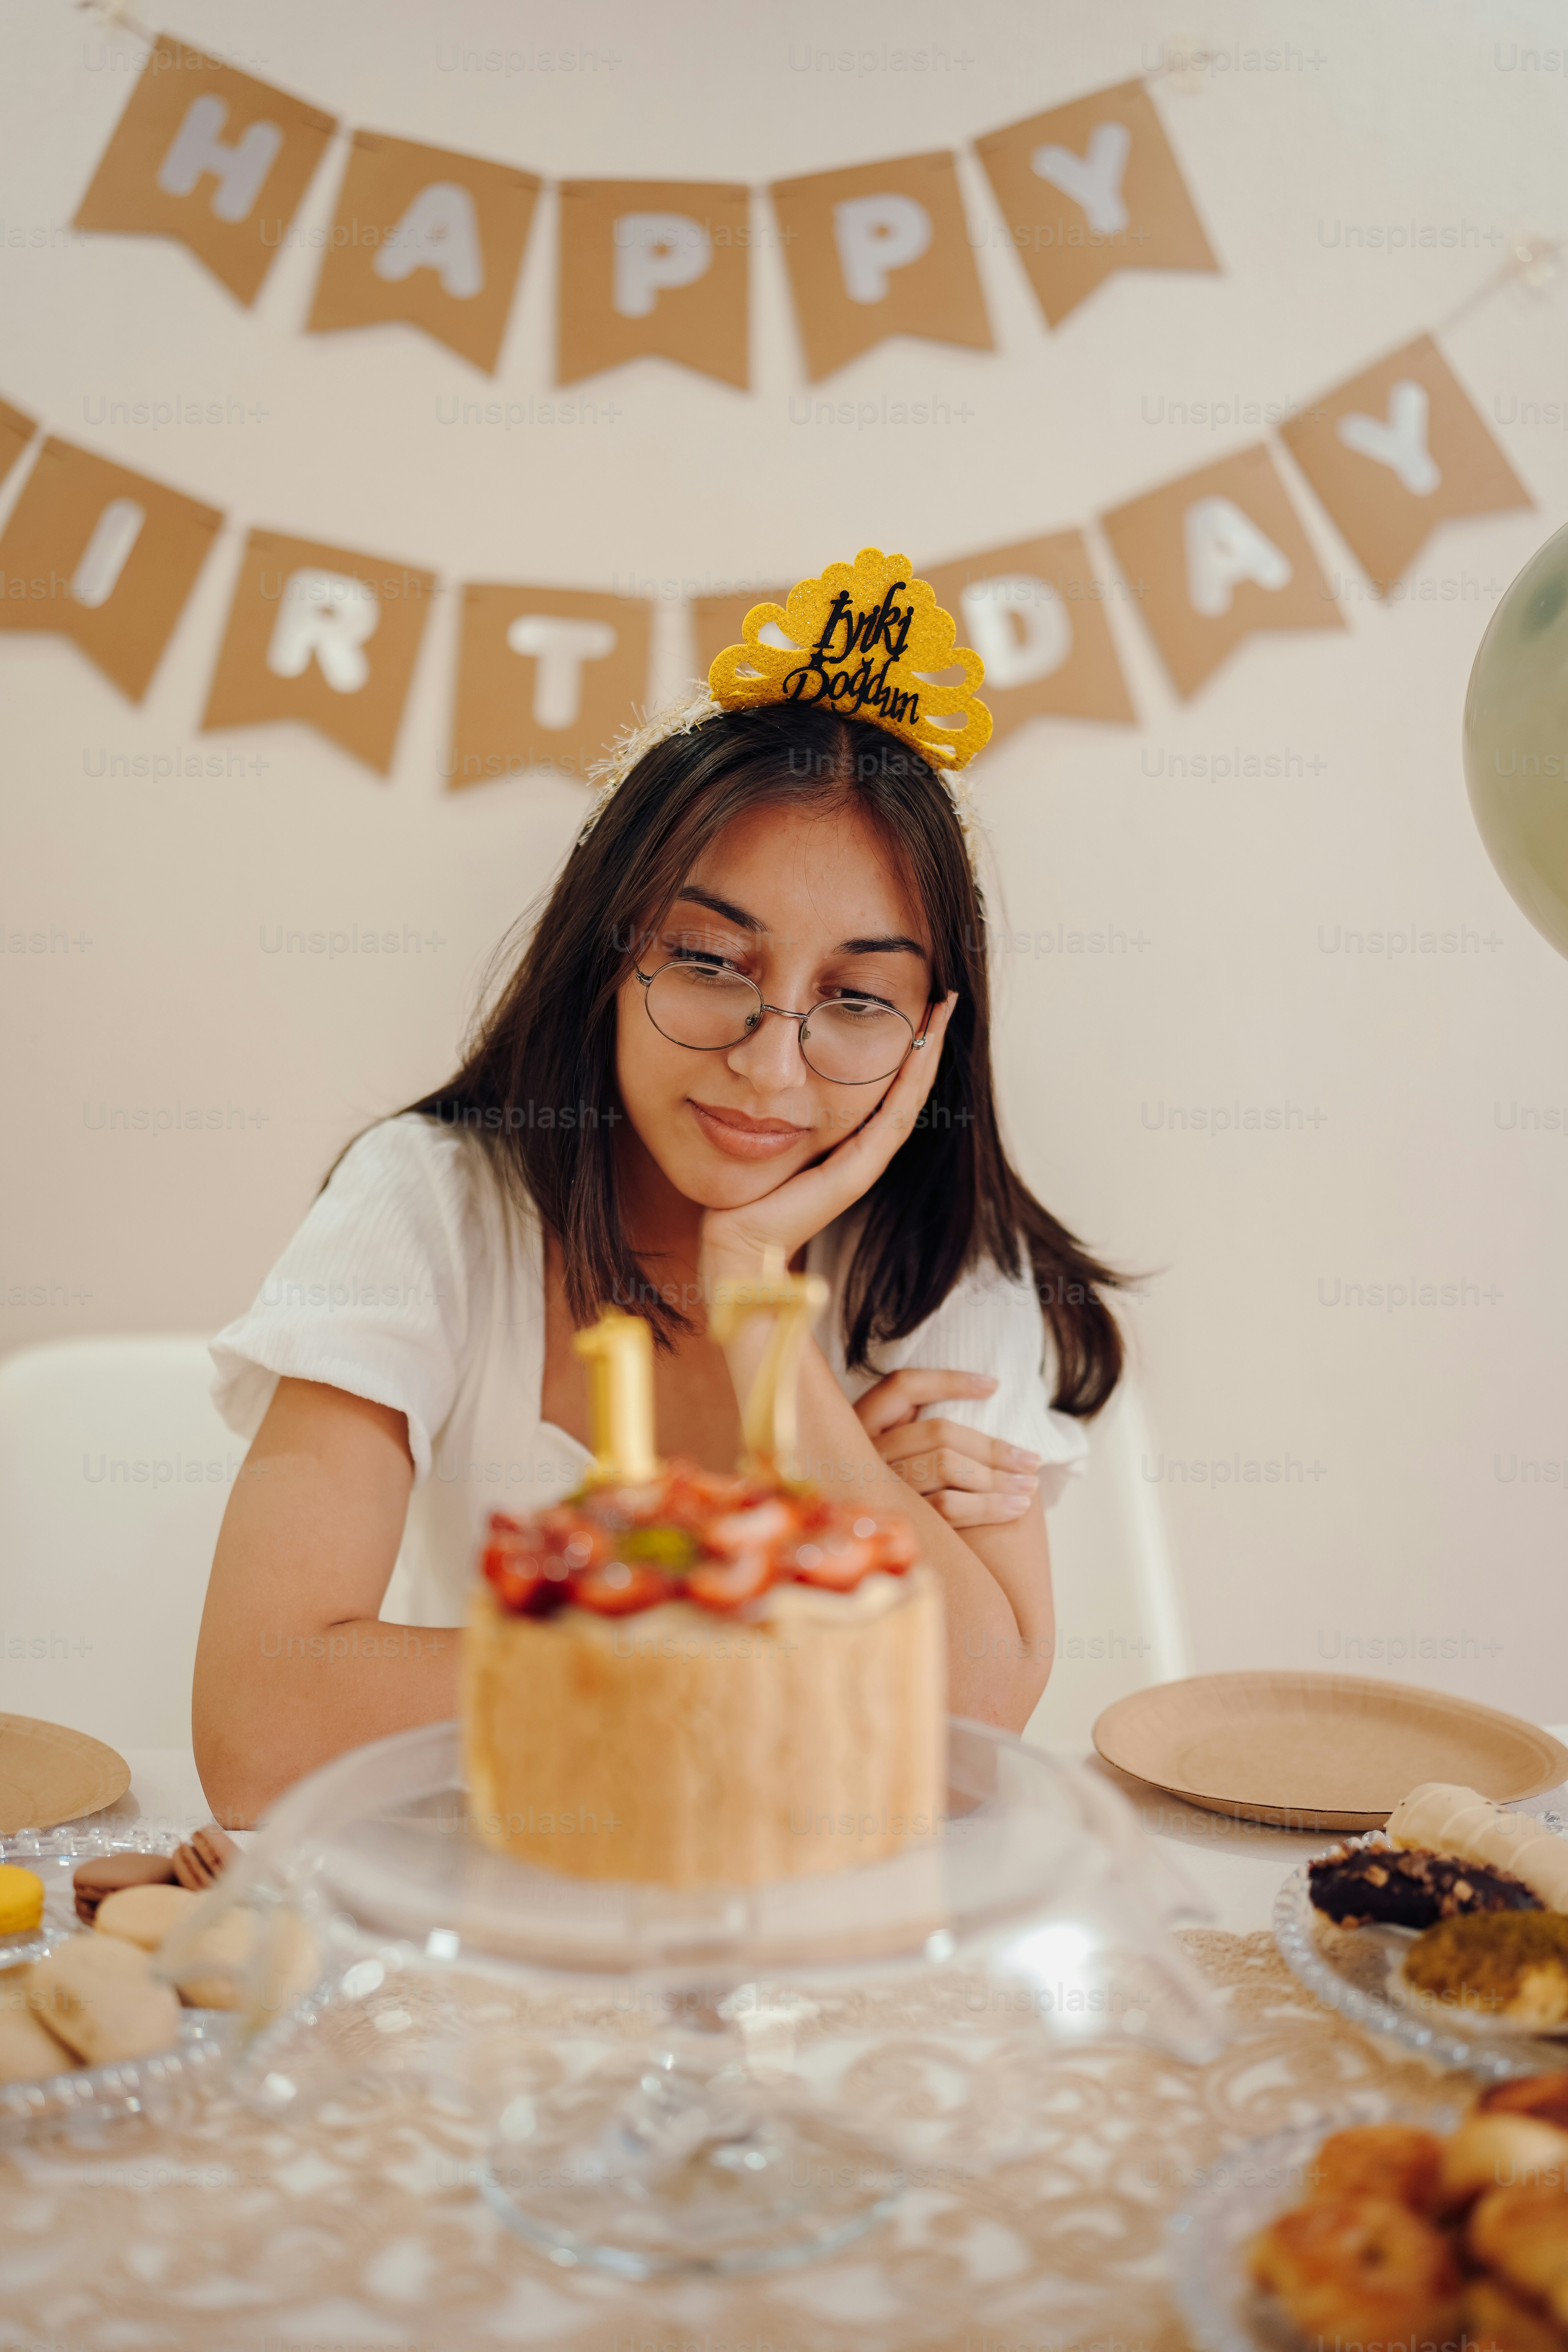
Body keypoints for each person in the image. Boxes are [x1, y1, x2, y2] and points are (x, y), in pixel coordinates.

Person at [194, 552, 1125, 1824]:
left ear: (928, 1037)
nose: (768, 1062)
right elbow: (262, 1726)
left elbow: (965, 1726)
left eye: (856, 998)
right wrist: (771, 1644)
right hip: (504, 1925)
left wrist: (758, 1303)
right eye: (706, 960)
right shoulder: (429, 1204)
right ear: (606, 950)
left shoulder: (952, 1264)